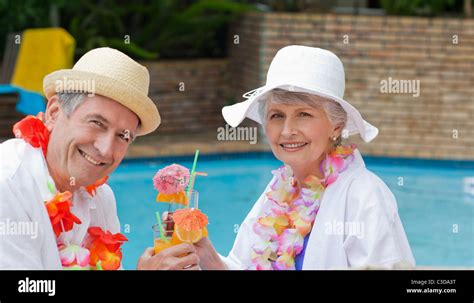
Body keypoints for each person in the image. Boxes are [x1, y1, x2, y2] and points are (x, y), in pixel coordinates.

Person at [194, 45, 416, 270]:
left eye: (304, 114)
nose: (287, 130)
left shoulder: (364, 195)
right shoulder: (278, 191)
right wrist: (206, 257)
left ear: (336, 127)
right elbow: (245, 266)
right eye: (277, 116)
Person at [0, 47, 199, 270]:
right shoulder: (8, 185)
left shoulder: (101, 197)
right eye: (97, 123)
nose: (105, 150)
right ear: (54, 113)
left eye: (123, 136)